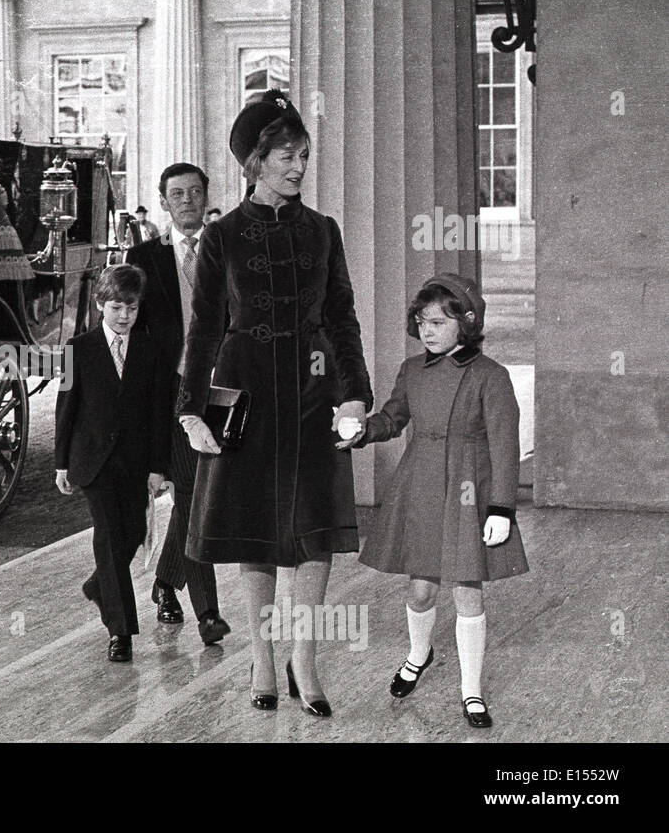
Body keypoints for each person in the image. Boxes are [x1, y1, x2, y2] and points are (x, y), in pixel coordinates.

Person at [177, 89, 372, 715]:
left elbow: (342, 318)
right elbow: (204, 327)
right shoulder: (223, 236)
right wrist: (190, 409)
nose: (298, 167)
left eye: (304, 156)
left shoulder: (322, 231)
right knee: (254, 535)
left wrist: (355, 397)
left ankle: (304, 660)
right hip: (244, 395)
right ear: (254, 162)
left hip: (314, 396)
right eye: (286, 155)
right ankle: (262, 660)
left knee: (314, 535)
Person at [340, 274, 527, 728]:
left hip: (469, 490)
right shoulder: (411, 371)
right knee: (420, 590)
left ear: (465, 324)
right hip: (421, 484)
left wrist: (501, 507)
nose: (427, 330)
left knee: (467, 591)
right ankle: (417, 653)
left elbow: (505, 445)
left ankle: (471, 690)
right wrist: (364, 430)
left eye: (439, 322)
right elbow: (393, 418)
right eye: (422, 321)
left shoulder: (491, 376)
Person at [128, 162, 230, 645]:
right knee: (194, 494)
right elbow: (133, 333)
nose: (186, 200)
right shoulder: (143, 256)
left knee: (199, 495)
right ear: (164, 202)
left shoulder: (227, 249)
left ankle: (167, 581)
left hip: (219, 391)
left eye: (194, 192)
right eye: (176, 194)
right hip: (169, 394)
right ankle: (208, 612)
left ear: (206, 196)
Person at [55, 264, 171, 663]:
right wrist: (60, 463)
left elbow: (159, 414)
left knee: (134, 532)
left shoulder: (150, 350)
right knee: (107, 536)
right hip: (92, 463)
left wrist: (158, 467)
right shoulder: (77, 349)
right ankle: (120, 631)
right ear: (100, 304)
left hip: (136, 463)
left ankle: (98, 585)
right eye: (117, 307)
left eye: (132, 307)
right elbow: (65, 409)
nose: (125, 316)